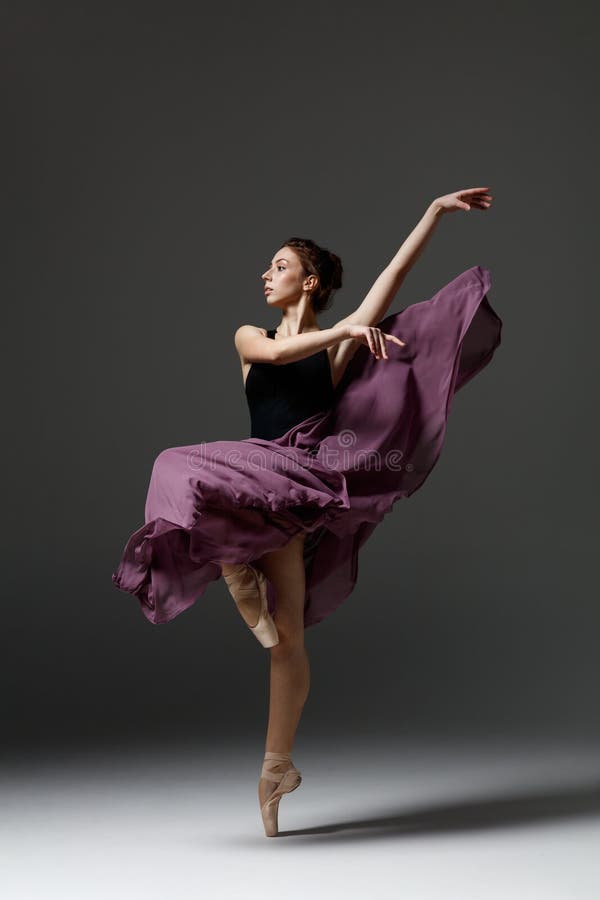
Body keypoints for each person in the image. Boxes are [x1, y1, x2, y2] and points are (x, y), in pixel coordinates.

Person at [112, 187, 502, 837]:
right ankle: (232, 562)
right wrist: (343, 330)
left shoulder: (336, 348)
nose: (266, 274)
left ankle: (276, 768)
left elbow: (392, 277)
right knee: (175, 465)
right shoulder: (251, 336)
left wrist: (433, 213)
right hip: (256, 472)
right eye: (269, 267)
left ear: (310, 281)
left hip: (301, 483)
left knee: (288, 638)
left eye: (280, 266)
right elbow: (274, 356)